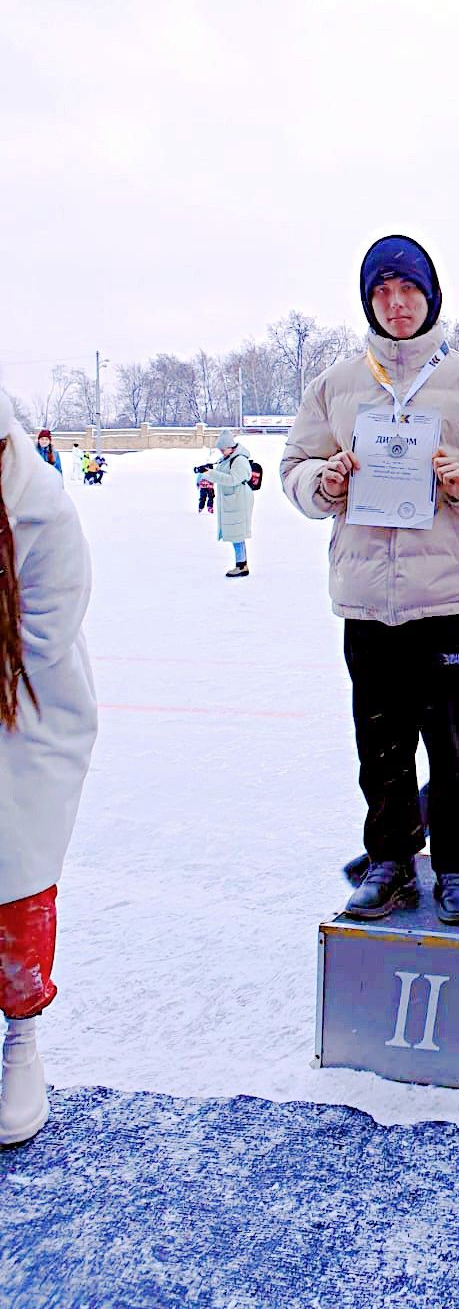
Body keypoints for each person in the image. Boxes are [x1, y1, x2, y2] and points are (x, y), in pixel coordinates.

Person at [281, 236, 459, 925]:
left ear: (432, 297)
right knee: (380, 744)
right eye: (382, 293)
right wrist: (324, 481)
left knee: (455, 747)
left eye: (409, 291)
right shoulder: (336, 386)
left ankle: (456, 867)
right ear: (368, 300)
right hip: (366, 597)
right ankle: (391, 861)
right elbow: (294, 468)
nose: (396, 305)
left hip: (448, 595)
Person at [0, 391, 98, 1145]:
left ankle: (22, 1036)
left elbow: (43, 638)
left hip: (22, 714)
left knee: (15, 878)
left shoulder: (44, 515)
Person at [213, 430, 253, 574]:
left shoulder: (239, 460)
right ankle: (241, 565)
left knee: (238, 534)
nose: (222, 452)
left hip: (238, 500)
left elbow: (232, 479)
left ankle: (242, 567)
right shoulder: (229, 458)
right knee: (236, 534)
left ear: (231, 446)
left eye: (223, 449)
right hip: (234, 500)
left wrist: (210, 474)